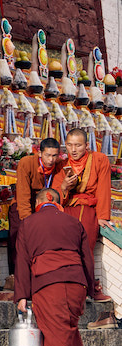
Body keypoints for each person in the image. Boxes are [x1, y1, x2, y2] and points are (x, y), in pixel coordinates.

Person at [15, 188, 93, 346]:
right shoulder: (74, 222)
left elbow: (22, 261)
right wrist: (90, 288)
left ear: (37, 203)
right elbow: (87, 259)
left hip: (48, 285)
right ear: (58, 203)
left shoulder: (28, 223)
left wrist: (22, 295)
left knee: (57, 343)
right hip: (76, 285)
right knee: (68, 337)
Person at [53, 128, 112, 302]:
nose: (73, 150)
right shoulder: (61, 165)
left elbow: (103, 189)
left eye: (78, 145)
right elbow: (55, 193)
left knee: (85, 249)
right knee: (64, 250)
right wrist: (64, 186)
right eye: (69, 145)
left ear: (87, 145)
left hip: (88, 211)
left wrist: (102, 216)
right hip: (67, 210)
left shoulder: (99, 160)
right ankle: (66, 288)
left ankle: (89, 288)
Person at [7, 138, 62, 288]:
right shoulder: (27, 163)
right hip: (23, 206)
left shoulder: (59, 166)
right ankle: (16, 278)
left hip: (45, 206)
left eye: (54, 156)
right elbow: (23, 194)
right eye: (47, 155)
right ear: (39, 154)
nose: (51, 160)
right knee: (18, 241)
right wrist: (28, 222)